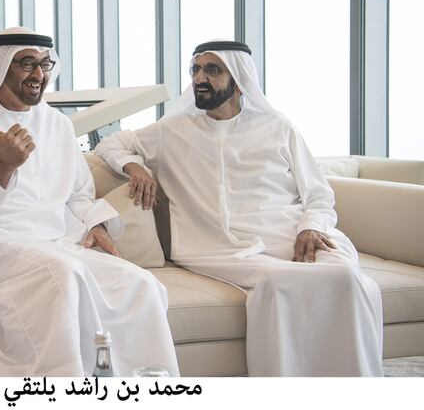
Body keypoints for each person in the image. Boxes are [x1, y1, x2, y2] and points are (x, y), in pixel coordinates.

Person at [94, 40, 383, 376]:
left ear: (239, 79)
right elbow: (111, 143)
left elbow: (318, 193)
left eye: (212, 70)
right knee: (279, 281)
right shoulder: (173, 131)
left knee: (346, 275)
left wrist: (312, 226)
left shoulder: (278, 127)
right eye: (196, 70)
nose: (200, 78)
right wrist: (134, 166)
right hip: (218, 247)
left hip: (291, 234)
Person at [0, 27, 179, 377]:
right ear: (1, 66)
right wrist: (2, 167)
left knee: (141, 285)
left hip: (57, 242)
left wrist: (93, 224)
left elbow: (78, 194)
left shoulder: (59, 125)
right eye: (27, 64)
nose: (39, 74)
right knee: (63, 274)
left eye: (45, 64)